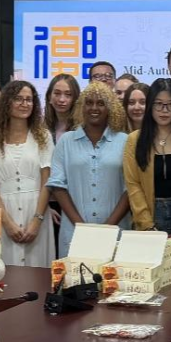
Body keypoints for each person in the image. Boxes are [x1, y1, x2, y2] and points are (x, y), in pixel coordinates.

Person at [47, 81, 130, 258]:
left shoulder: (124, 141)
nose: (94, 108)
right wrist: (82, 227)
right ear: (81, 107)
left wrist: (108, 227)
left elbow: (130, 188)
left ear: (110, 108)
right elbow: (57, 185)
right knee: (74, 275)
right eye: (89, 102)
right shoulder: (66, 141)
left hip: (116, 232)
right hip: (74, 232)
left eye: (101, 103)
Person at [0, 81, 56, 268]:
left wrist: (37, 220)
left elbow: (47, 180)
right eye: (19, 99)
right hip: (4, 212)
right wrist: (6, 222)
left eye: (29, 99)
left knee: (38, 271)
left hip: (37, 210)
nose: (25, 104)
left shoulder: (43, 136)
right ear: (7, 102)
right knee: (7, 270)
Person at [123, 79, 171, 234]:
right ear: (150, 105)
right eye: (158, 104)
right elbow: (133, 184)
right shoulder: (134, 140)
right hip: (150, 216)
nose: (164, 110)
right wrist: (147, 224)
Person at [44, 73, 80, 144]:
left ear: (76, 99)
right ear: (49, 97)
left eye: (68, 94)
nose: (61, 99)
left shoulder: (83, 129)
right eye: (57, 93)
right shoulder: (41, 128)